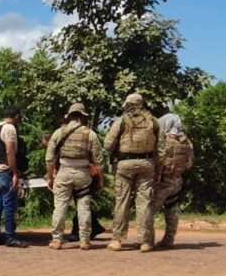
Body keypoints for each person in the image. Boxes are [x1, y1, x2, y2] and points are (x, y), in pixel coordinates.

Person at [104, 93, 166, 253]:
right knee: (144, 203)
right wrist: (158, 169)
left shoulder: (121, 121)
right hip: (147, 165)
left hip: (124, 165)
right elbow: (161, 149)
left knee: (122, 202)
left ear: (127, 105)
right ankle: (145, 241)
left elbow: (108, 144)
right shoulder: (154, 122)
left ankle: (117, 240)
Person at [45, 102, 104, 251]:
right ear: (82, 117)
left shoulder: (59, 132)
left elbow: (49, 158)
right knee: (83, 207)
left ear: (69, 116)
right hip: (83, 174)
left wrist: (51, 177)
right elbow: (99, 161)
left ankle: (57, 240)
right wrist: (101, 180)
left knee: (60, 207)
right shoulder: (90, 134)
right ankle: (84, 240)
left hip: (64, 173)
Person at [40, 132, 107, 243]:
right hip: (85, 175)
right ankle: (89, 231)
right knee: (82, 205)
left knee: (73, 205)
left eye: (46, 146)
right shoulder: (67, 144)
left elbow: (55, 164)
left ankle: (73, 233)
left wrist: (50, 178)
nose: (46, 149)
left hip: (84, 175)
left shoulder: (60, 146)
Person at [151, 113, 194, 248]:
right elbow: (189, 164)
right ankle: (169, 240)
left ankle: (147, 240)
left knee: (148, 210)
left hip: (162, 181)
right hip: (177, 180)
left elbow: (156, 160)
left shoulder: (163, 140)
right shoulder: (186, 142)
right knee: (172, 210)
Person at [0, 106, 29, 248]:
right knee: (9, 205)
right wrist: (15, 173)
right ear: (16, 116)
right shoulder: (10, 128)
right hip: (5, 172)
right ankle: (10, 237)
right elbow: (9, 151)